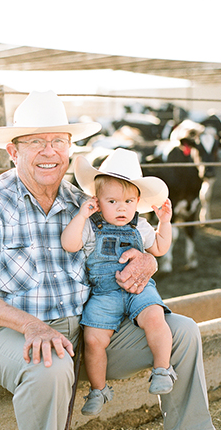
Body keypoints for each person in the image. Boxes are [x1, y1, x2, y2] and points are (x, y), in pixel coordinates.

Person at [0, 90, 219, 430]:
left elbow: (140, 243)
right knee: (49, 367)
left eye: (58, 141)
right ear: (12, 150)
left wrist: (149, 261)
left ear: (70, 148)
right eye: (36, 141)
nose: (48, 151)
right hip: (10, 330)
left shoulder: (85, 202)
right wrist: (32, 326)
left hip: (87, 328)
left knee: (184, 332)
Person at [61, 149, 176, 416]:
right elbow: (69, 244)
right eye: (112, 201)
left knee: (155, 317)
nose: (121, 207)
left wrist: (165, 222)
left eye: (128, 201)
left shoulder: (142, 226)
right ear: (97, 202)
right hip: (104, 294)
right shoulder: (90, 226)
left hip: (140, 288)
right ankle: (99, 390)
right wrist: (81, 216)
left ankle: (162, 369)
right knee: (92, 339)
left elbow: (159, 247)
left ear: (138, 201)